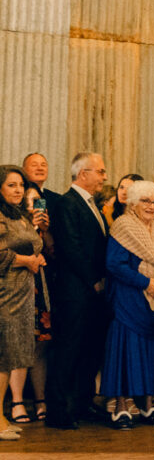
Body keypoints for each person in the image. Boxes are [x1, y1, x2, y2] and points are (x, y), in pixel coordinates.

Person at [101, 180, 154, 430]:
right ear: (133, 203)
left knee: (149, 350)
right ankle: (121, 408)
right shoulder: (123, 226)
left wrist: (153, 285)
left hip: (152, 299)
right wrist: (145, 282)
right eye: (145, 201)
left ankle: (149, 405)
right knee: (125, 348)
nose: (151, 206)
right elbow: (114, 264)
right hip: (128, 296)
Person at [47, 152, 109, 430]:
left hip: (94, 292)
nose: (104, 177)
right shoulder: (66, 203)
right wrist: (93, 279)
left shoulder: (91, 204)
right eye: (101, 171)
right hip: (75, 291)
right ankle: (58, 411)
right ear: (83, 174)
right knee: (68, 350)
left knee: (90, 350)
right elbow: (70, 247)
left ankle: (83, 403)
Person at [0, 166, 46, 441]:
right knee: (2, 356)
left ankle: (0, 417)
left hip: (21, 295)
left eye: (20, 185)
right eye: (11, 185)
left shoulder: (18, 215)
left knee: (8, 358)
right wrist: (25, 261)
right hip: (4, 295)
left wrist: (36, 256)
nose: (18, 190)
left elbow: (34, 245)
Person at [8, 182, 54, 425]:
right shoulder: (12, 224)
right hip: (16, 289)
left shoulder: (39, 226)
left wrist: (44, 230)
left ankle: (40, 399)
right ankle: (17, 401)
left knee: (40, 346)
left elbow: (53, 253)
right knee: (18, 346)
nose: (34, 204)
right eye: (29, 199)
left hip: (40, 288)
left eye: (38, 200)